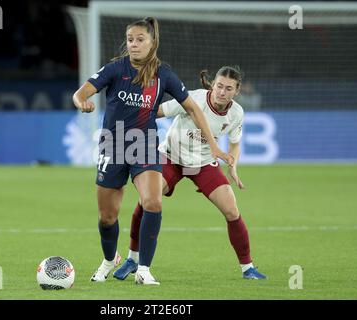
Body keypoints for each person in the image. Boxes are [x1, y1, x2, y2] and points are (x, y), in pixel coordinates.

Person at [73, 18, 233, 285]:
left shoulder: (164, 75)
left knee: (153, 202)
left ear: (152, 42)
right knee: (107, 217)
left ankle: (144, 269)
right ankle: (108, 260)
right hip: (112, 145)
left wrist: (214, 145)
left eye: (139, 39)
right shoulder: (115, 69)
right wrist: (82, 103)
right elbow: (80, 93)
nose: (133, 44)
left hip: (143, 145)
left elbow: (193, 108)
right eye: (130, 39)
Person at [113, 66, 267, 281]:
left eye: (228, 88)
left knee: (232, 211)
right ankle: (133, 258)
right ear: (213, 84)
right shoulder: (192, 98)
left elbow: (234, 144)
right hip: (171, 157)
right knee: (148, 200)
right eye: (219, 86)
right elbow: (156, 111)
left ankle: (248, 268)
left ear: (237, 91)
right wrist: (132, 113)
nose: (222, 92)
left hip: (203, 164)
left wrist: (233, 165)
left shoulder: (236, 113)